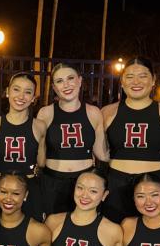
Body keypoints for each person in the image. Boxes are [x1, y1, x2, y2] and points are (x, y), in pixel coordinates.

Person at [102, 57, 160, 224]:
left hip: (155, 183)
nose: (136, 81)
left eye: (143, 76)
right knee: (116, 235)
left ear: (153, 80)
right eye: (129, 76)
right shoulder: (107, 113)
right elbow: (99, 151)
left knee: (152, 232)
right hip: (117, 183)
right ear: (121, 81)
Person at [37, 63, 109, 217]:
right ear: (54, 88)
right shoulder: (45, 113)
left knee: (84, 229)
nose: (66, 85)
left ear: (80, 80)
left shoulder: (93, 112)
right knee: (53, 230)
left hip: (85, 183)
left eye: (70, 78)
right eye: (59, 81)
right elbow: (40, 157)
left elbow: (102, 154)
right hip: (53, 181)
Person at [0, 72, 46, 221]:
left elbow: (41, 162)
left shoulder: (40, 126)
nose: (21, 96)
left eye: (28, 92)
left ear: (33, 98)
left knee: (30, 235)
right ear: (7, 92)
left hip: (29, 189)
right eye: (16, 89)